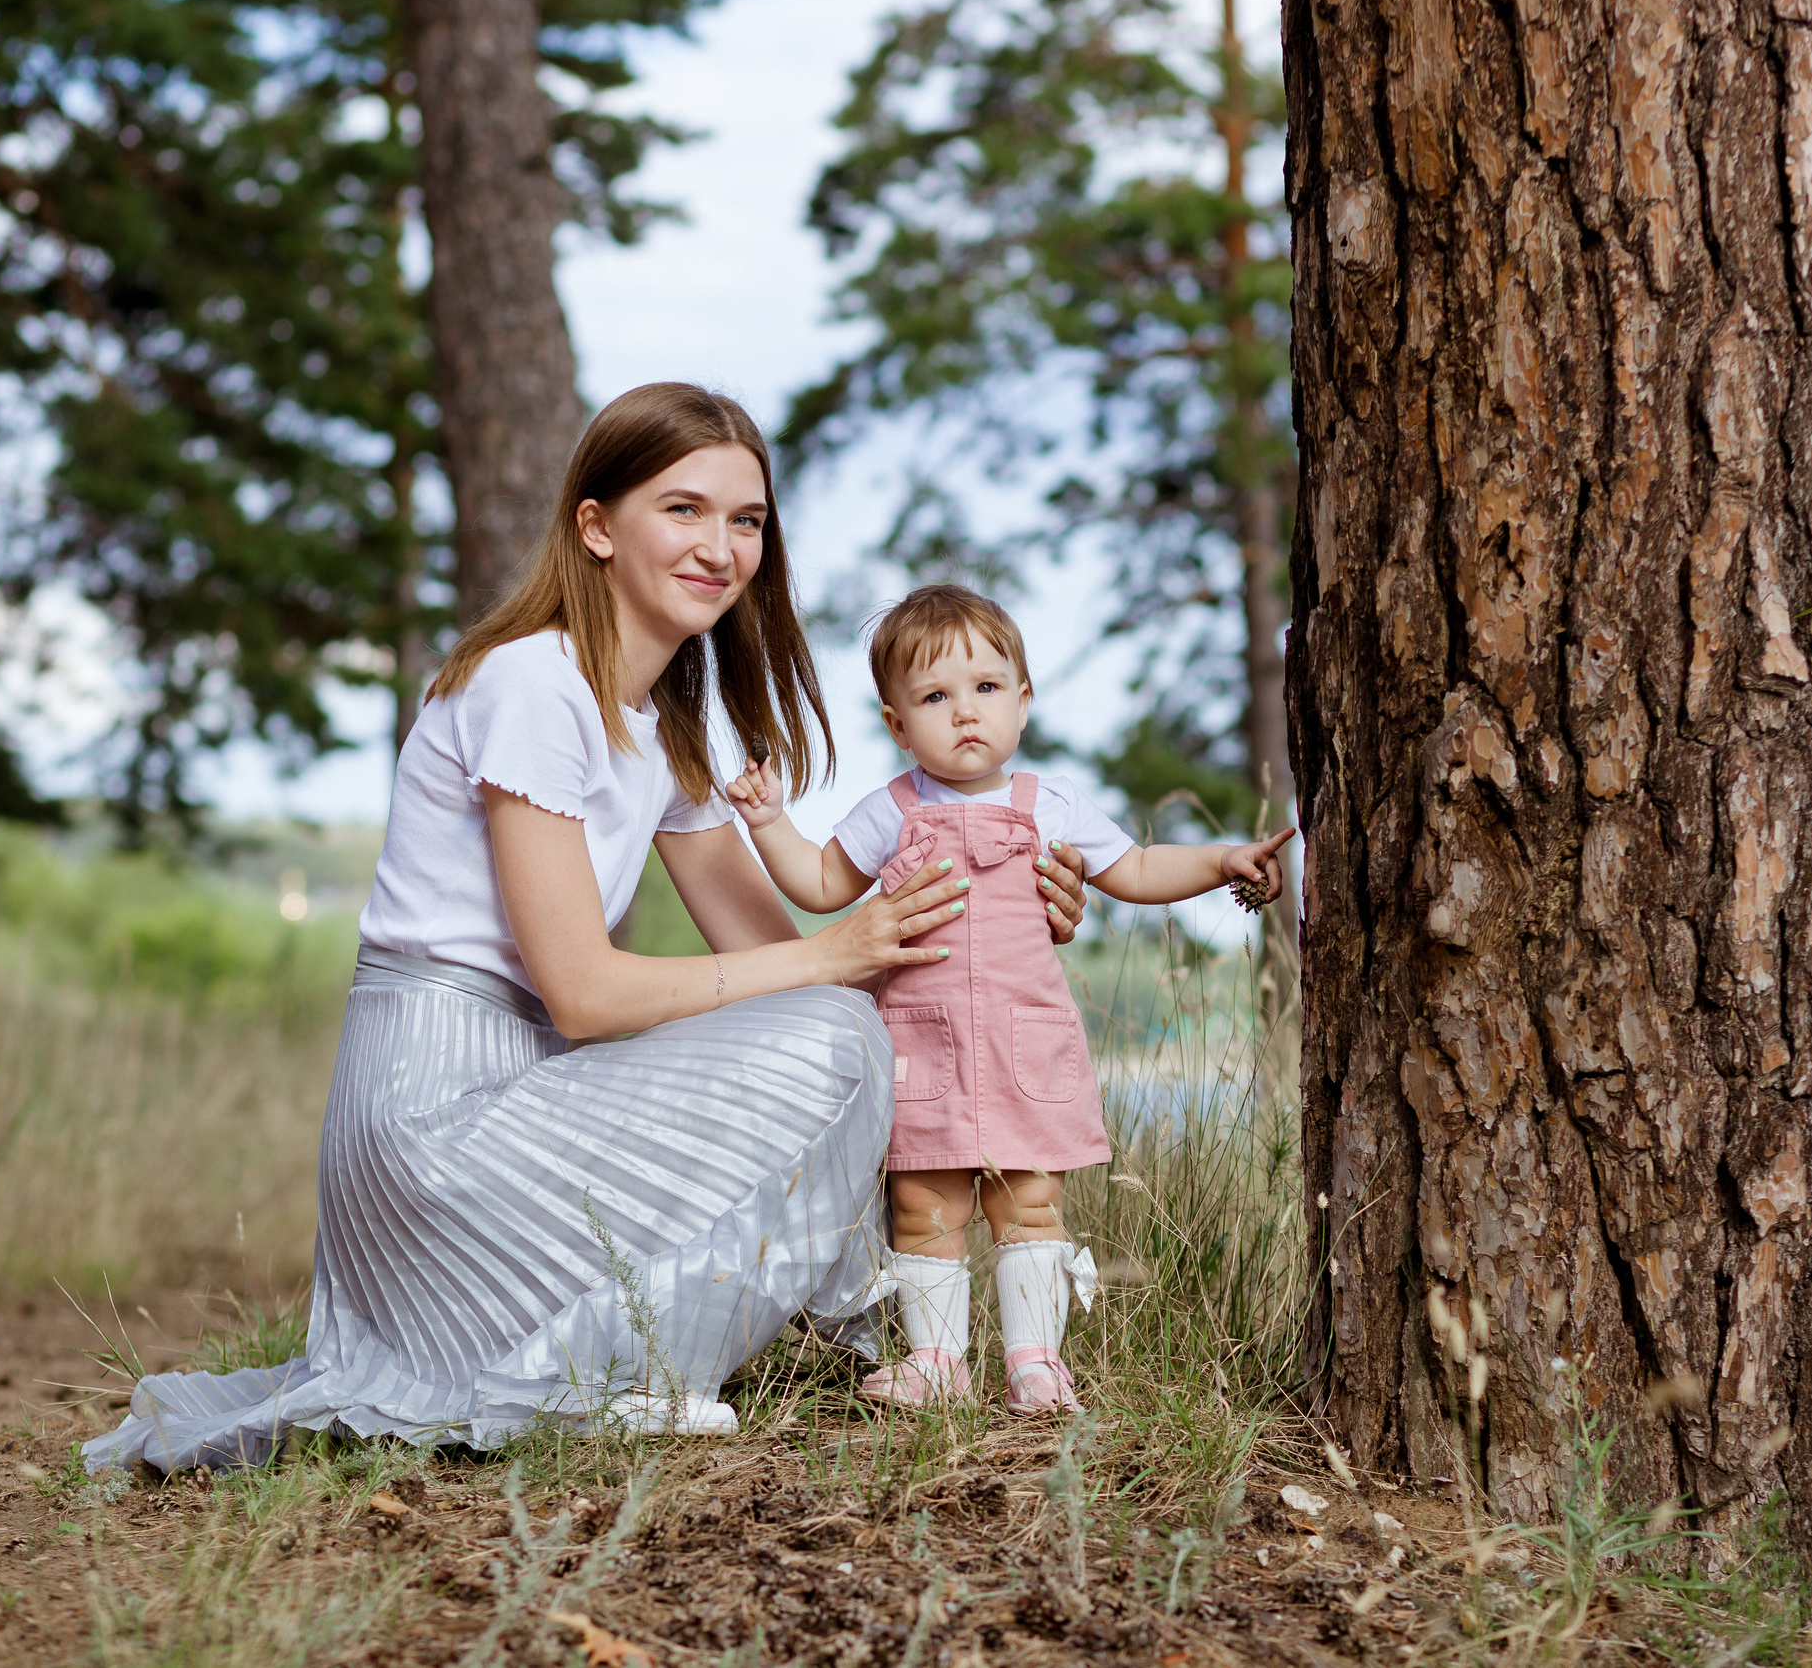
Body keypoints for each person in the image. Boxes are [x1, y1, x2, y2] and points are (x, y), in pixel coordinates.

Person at [83, 388, 1089, 1471]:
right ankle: (630, 1371)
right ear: (597, 525)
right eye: (685, 511)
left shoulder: (665, 729)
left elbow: (801, 975)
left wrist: (998, 916)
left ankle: (821, 1334)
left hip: (535, 1095)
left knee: (838, 1025)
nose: (720, 547)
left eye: (745, 521)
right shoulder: (531, 683)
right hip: (433, 1114)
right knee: (836, 1028)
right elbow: (584, 994)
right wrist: (830, 958)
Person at [723, 584, 1292, 1413]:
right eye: (935, 697)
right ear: (896, 724)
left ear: (1023, 702)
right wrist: (770, 819)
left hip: (1024, 1043)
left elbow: (1133, 870)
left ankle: (1035, 1361)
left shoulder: (1048, 804)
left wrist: (1221, 860)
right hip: (927, 1045)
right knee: (923, 1204)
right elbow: (818, 882)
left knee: (1030, 1201)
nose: (964, 713)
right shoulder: (893, 810)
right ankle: (938, 1361)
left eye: (987, 688)